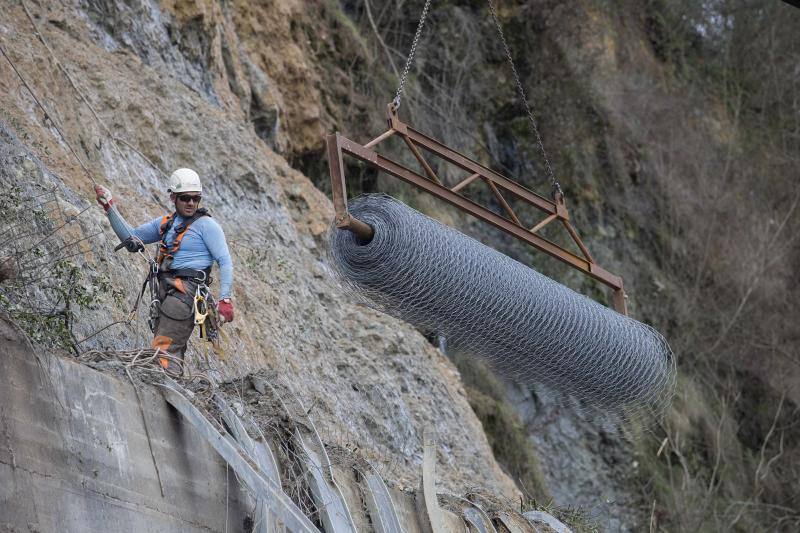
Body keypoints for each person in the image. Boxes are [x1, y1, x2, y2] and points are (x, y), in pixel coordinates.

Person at [95, 168, 234, 372]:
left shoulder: (207, 226)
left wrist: (225, 301)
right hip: (166, 292)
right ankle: (171, 389)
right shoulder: (167, 224)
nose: (191, 203)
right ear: (173, 197)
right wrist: (109, 208)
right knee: (169, 349)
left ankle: (167, 391)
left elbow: (225, 261)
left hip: (184, 293)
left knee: (164, 350)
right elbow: (131, 239)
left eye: (196, 199)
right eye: (185, 198)